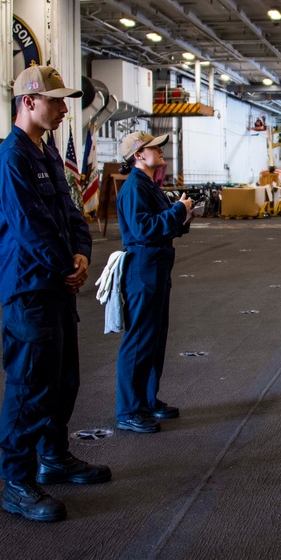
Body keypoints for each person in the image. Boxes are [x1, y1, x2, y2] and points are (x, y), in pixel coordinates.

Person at [0, 65, 108, 523]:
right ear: (28, 102)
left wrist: (81, 253)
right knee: (29, 387)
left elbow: (72, 211)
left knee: (63, 380)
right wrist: (65, 266)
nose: (62, 109)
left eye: (63, 101)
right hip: (31, 290)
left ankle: (53, 456)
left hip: (57, 285)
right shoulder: (11, 159)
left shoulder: (48, 154)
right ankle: (17, 482)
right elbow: (31, 228)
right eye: (55, 101)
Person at [115, 130, 193, 434]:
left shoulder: (149, 185)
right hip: (143, 267)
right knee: (139, 340)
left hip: (157, 265)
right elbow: (144, 229)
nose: (161, 151)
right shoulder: (135, 187)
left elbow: (162, 226)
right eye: (154, 148)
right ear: (138, 155)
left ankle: (146, 400)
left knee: (155, 337)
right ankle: (129, 410)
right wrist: (178, 210)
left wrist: (182, 216)